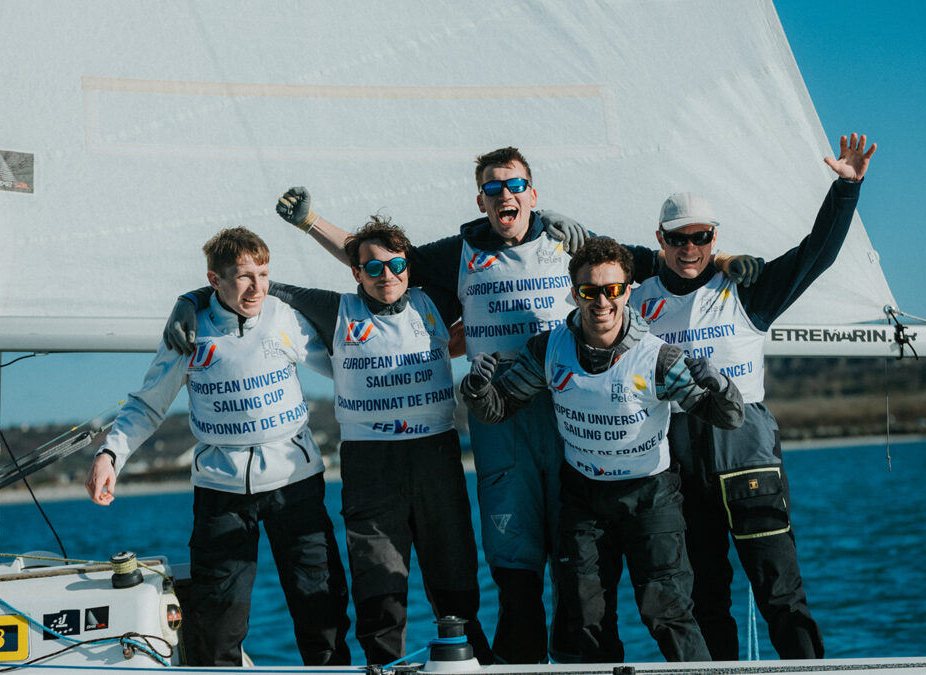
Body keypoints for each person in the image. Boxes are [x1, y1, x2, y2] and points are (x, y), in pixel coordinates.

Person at [270, 148, 759, 663]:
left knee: (578, 570)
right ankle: (519, 666)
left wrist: (724, 261)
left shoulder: (573, 243)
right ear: (480, 198)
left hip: (571, 417)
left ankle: (583, 664)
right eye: (494, 187)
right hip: (500, 417)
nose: (506, 194)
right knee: (516, 564)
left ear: (533, 192)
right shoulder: (460, 250)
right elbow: (378, 260)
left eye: (515, 185)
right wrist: (309, 222)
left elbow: (674, 259)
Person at [162, 217, 492, 666]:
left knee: (455, 584)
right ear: (355, 274)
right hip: (370, 466)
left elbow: (491, 258)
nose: (387, 275)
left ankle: (474, 663)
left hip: (435, 456)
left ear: (409, 267)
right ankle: (382, 667)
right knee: (380, 592)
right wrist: (189, 300)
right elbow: (259, 288)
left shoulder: (434, 299)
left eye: (396, 265)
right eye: (372, 269)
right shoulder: (336, 309)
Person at [628, 132, 878, 659]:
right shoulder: (635, 299)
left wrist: (846, 190)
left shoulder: (748, 289)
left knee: (781, 595)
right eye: (678, 239)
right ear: (660, 239)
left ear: (715, 237)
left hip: (748, 466)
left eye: (701, 237)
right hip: (678, 471)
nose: (689, 248)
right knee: (706, 601)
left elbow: (817, 256)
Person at [458, 237, 744, 662]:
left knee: (665, 612)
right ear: (575, 294)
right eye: (590, 291)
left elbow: (727, 417)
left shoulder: (658, 359)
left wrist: (722, 388)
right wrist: (477, 390)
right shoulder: (549, 349)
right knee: (585, 619)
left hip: (650, 496)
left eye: (612, 290)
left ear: (628, 291)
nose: (602, 302)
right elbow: (497, 409)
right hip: (585, 498)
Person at [84, 227, 350, 667]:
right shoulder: (189, 332)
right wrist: (110, 453)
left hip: (295, 483)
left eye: (263, 274)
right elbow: (149, 403)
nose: (257, 287)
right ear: (214, 280)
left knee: (319, 606)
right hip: (221, 491)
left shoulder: (283, 316)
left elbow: (346, 367)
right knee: (217, 620)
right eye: (244, 276)